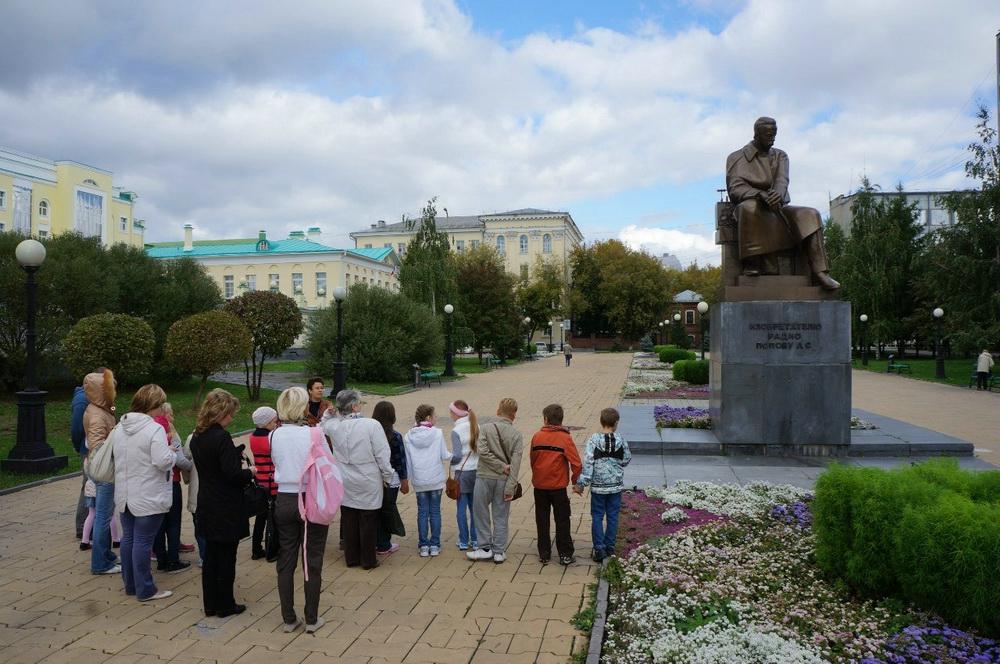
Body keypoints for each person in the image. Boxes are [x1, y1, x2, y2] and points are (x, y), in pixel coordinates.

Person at [726, 117, 840, 289]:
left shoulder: (780, 155)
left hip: (777, 205)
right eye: (768, 134)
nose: (772, 138)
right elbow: (735, 188)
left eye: (774, 134)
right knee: (750, 208)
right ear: (756, 134)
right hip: (749, 205)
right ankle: (753, 262)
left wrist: (777, 195)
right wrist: (759, 194)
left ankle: (819, 272)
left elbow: (782, 181)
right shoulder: (736, 158)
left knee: (810, 214)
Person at [272, 387, 332, 633]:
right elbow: (328, 463)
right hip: (309, 497)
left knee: (286, 559)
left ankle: (288, 618)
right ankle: (311, 618)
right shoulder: (314, 434)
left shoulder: (273, 435)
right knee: (312, 559)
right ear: (303, 407)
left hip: (283, 498)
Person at [191, 388, 252, 618]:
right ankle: (225, 604)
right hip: (225, 505)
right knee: (227, 556)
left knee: (211, 558)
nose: (232, 418)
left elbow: (212, 466)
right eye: (230, 414)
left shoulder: (198, 436)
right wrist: (250, 473)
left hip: (207, 500)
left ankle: (211, 603)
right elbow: (233, 475)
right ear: (220, 413)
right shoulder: (221, 437)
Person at [113, 383, 176, 602]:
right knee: (142, 542)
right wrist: (172, 454)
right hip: (148, 494)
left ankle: (131, 584)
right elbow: (162, 460)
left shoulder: (119, 427)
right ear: (154, 405)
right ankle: (146, 588)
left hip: (125, 493)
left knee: (129, 539)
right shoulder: (153, 429)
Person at [321, 389, 393, 570]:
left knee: (349, 517)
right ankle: (368, 559)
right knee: (368, 519)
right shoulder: (371, 425)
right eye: (360, 402)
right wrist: (388, 475)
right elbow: (382, 454)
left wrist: (328, 414)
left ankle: (351, 557)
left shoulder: (335, 426)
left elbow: (322, 425)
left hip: (344, 477)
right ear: (354, 405)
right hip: (368, 477)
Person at [467, 398, 523, 564]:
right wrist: (511, 486)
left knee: (480, 513)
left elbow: (482, 451)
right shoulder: (517, 435)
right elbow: (516, 464)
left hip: (484, 477)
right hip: (503, 480)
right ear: (514, 415)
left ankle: (484, 548)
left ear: (498, 411)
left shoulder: (485, 428)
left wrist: (498, 465)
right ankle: (499, 551)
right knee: (501, 516)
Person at [574, 407, 632, 562]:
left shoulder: (593, 440)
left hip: (598, 487)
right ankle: (610, 547)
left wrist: (582, 483)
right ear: (616, 423)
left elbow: (588, 463)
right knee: (613, 516)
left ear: (601, 421)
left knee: (597, 516)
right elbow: (626, 459)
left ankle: (599, 549)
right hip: (615, 486)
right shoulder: (621, 440)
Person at [530, 404, 582, 565]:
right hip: (558, 487)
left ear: (545, 420)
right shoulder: (565, 438)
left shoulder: (536, 436)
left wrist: (537, 474)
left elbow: (533, 459)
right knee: (562, 519)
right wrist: (575, 482)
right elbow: (577, 463)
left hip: (540, 486)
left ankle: (544, 553)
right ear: (561, 420)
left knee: (542, 519)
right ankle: (565, 554)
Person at [83, 368, 120, 575]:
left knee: (102, 516)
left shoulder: (100, 408)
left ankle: (107, 556)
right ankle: (100, 563)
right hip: (103, 472)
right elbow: (98, 447)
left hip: (100, 468)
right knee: (103, 518)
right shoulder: (97, 414)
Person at [404, 404, 451, 557]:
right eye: (435, 415)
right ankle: (435, 545)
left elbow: (408, 461)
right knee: (435, 512)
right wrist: (457, 456)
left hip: (419, 480)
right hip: (436, 478)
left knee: (423, 512)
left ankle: (423, 545)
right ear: (428, 418)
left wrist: (408, 478)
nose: (437, 417)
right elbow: (444, 455)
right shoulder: (437, 433)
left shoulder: (408, 436)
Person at [152, 403, 193, 574]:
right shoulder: (169, 433)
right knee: (173, 522)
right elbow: (180, 459)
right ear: (165, 414)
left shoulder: (148, 430)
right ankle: (173, 560)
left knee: (158, 523)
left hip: (153, 483)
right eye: (171, 414)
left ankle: (161, 559)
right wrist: (192, 467)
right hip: (171, 481)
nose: (173, 417)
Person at [371, 401, 409, 556]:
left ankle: (373, 541)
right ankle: (384, 544)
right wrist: (404, 480)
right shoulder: (395, 436)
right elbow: (400, 460)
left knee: (374, 510)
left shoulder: (370, 434)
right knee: (388, 510)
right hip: (390, 479)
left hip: (373, 477)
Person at [249, 406, 280, 560]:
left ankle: (256, 548)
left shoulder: (252, 437)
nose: (276, 423)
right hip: (272, 482)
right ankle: (271, 549)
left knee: (261, 518)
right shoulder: (270, 439)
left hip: (260, 482)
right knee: (273, 518)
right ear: (267, 423)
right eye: (274, 421)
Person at [448, 400, 479, 551]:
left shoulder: (456, 430)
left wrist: (448, 458)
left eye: (451, 411)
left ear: (456, 413)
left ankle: (463, 540)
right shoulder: (476, 426)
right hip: (476, 471)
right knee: (475, 508)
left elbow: (458, 455)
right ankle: (475, 539)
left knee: (461, 507)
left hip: (462, 472)